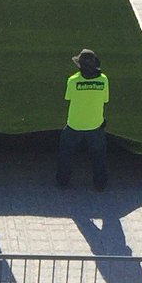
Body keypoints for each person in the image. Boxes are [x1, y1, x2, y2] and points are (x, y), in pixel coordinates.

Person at [56, 48, 109, 190]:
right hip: (96, 126)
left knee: (65, 154)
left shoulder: (73, 80)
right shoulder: (104, 80)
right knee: (99, 157)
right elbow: (105, 100)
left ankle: (62, 181)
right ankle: (100, 184)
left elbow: (68, 97)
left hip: (74, 124)